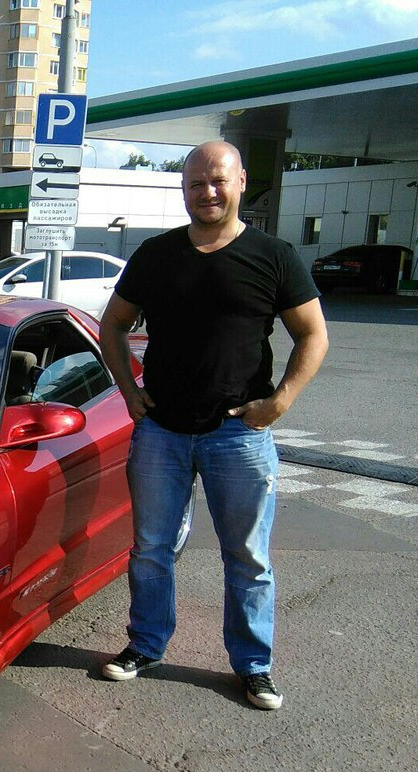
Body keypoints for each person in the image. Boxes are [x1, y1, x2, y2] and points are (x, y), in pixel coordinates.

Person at [98, 140, 329, 710]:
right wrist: (130, 394)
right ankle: (145, 646)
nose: (207, 192)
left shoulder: (273, 256)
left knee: (248, 557)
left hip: (239, 435)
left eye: (218, 181)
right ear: (184, 189)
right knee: (151, 548)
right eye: (196, 183)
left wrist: (280, 403)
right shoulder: (155, 255)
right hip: (162, 433)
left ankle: (254, 665)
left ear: (241, 182)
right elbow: (112, 327)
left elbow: (313, 335)